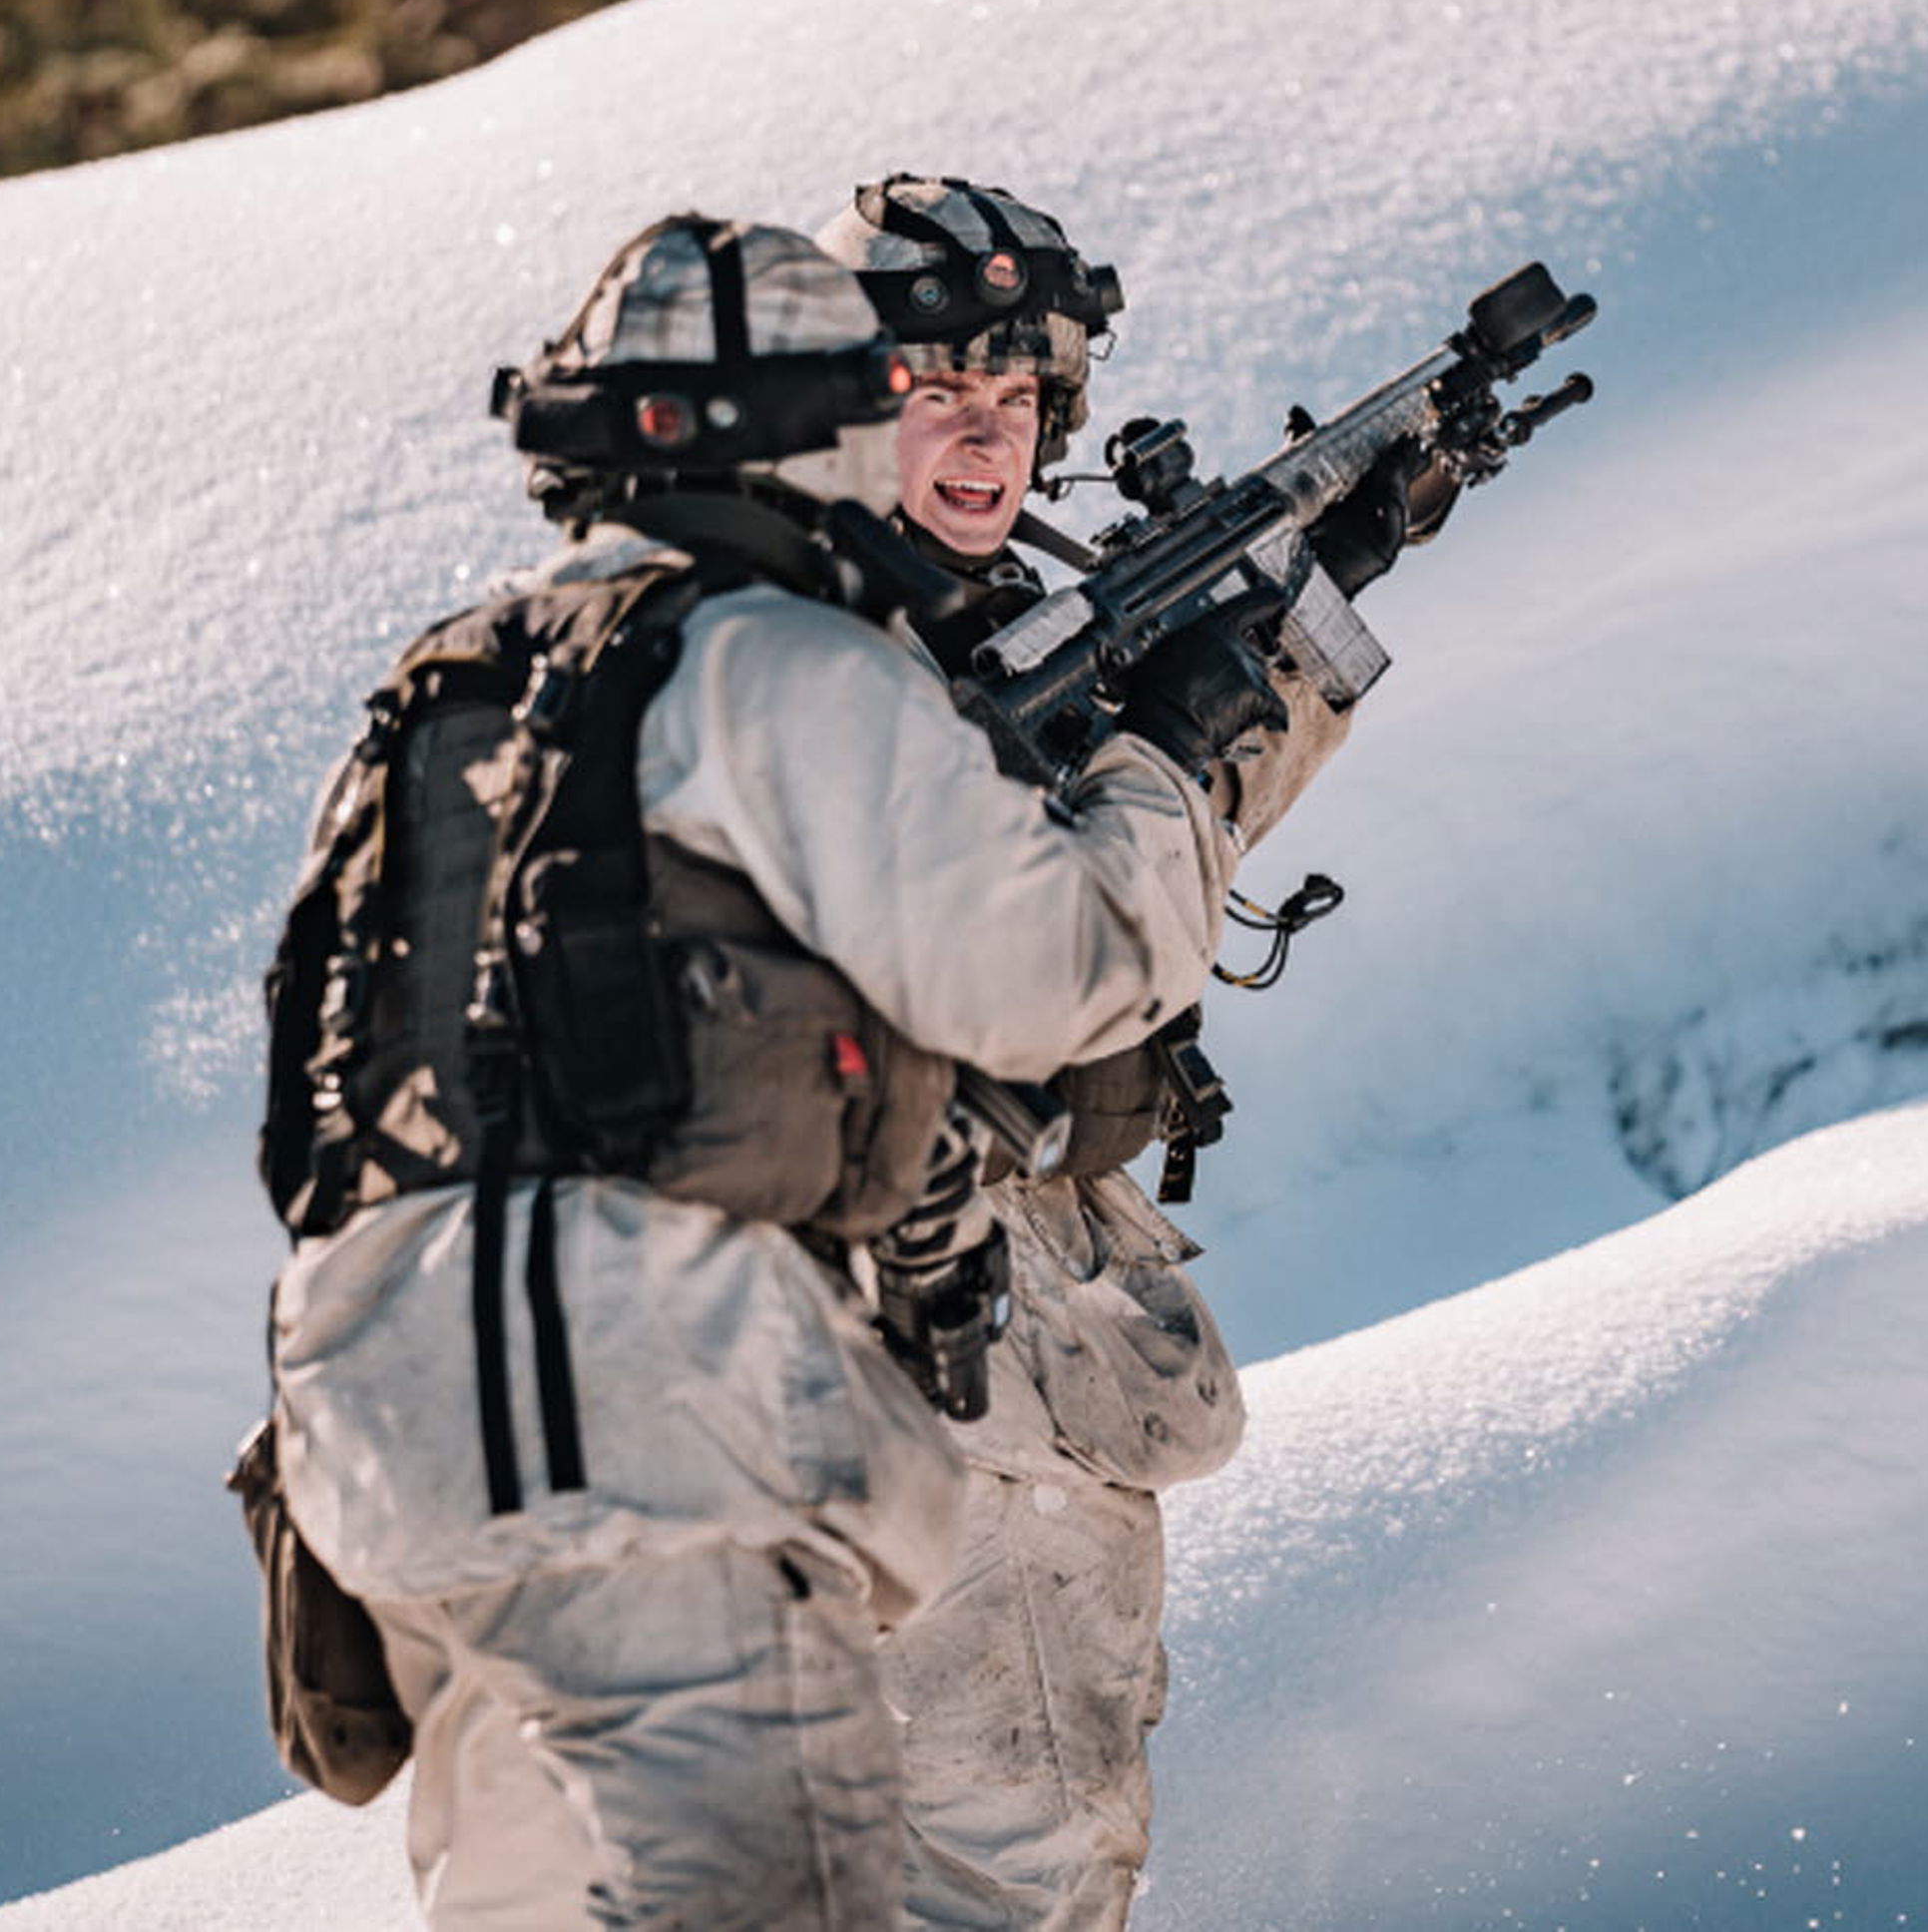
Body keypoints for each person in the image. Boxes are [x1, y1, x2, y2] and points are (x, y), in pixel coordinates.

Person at [252, 214, 1294, 1930]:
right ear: (823, 423)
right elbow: (1067, 972)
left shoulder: (437, 693)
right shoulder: (778, 655)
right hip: (654, 1431)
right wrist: (1175, 759)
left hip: (387, 1451)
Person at [812, 176, 1399, 1930]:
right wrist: (1166, 734)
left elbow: (1157, 859)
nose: (986, 445)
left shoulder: (910, 623)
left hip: (954, 1358)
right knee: (1014, 1872)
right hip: (941, 1372)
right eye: (939, 399)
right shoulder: (829, 669)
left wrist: (1295, 629)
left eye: (1018, 406)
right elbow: (1065, 950)